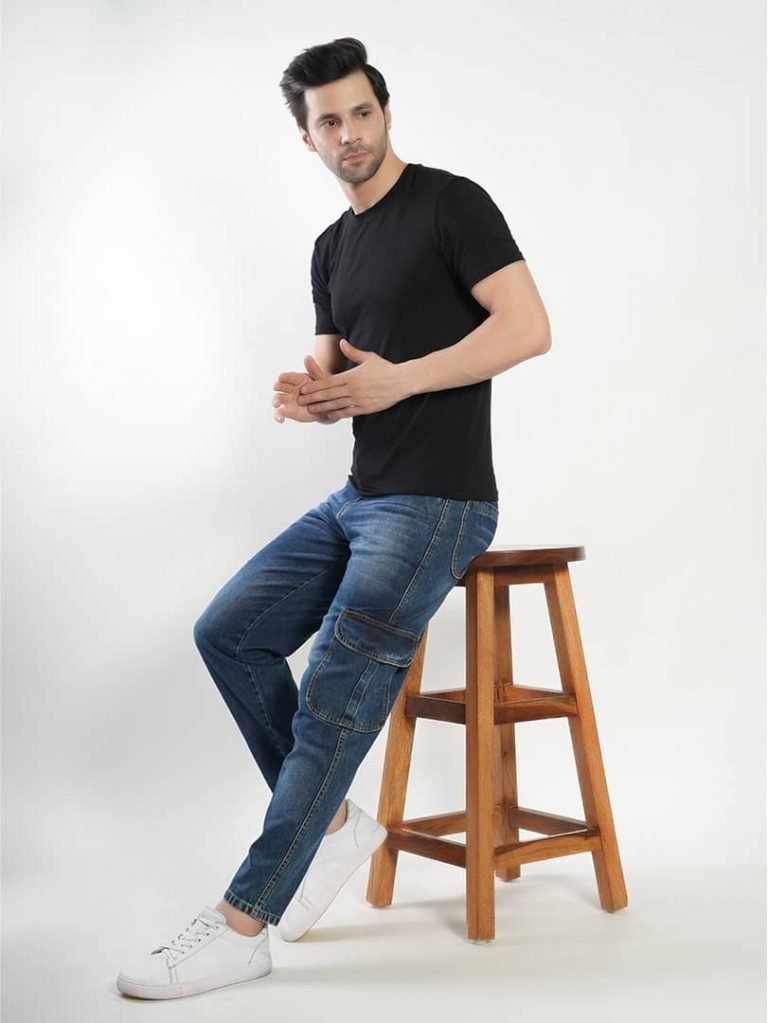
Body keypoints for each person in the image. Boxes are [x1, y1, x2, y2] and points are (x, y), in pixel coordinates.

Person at [116, 36, 551, 1000]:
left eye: (361, 112)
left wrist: (404, 380)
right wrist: (309, 394)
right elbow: (334, 369)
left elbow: (528, 327)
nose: (349, 132)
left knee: (333, 691)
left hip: (440, 500)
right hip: (360, 496)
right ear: (306, 139)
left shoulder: (451, 204)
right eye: (328, 121)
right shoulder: (331, 246)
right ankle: (334, 824)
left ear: (384, 113)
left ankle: (244, 922)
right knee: (228, 631)